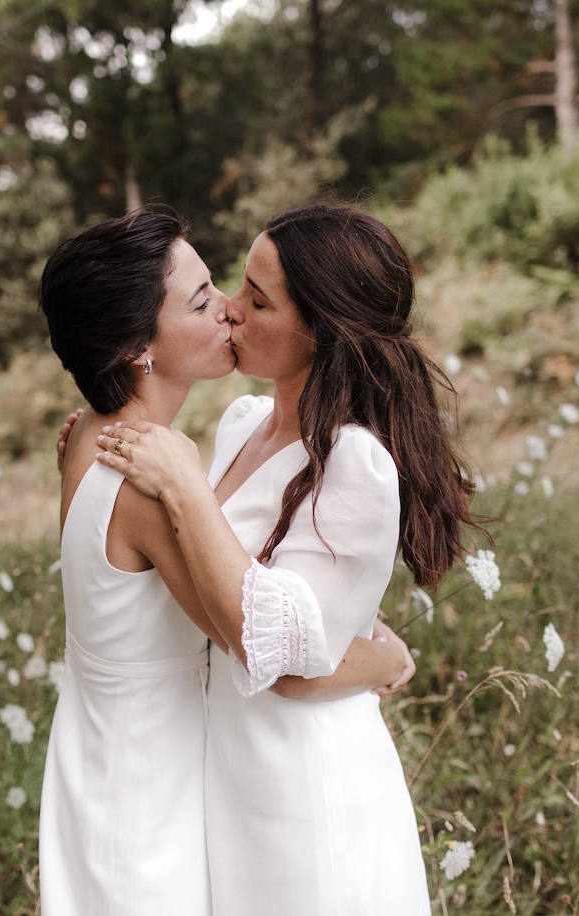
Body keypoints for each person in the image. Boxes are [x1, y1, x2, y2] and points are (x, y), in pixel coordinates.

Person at [95, 204, 480, 915]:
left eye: (258, 300)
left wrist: (183, 487)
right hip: (231, 782)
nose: (231, 313)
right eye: (237, 287)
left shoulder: (355, 461)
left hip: (303, 793)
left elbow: (287, 661)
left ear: (321, 332)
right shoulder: (244, 424)